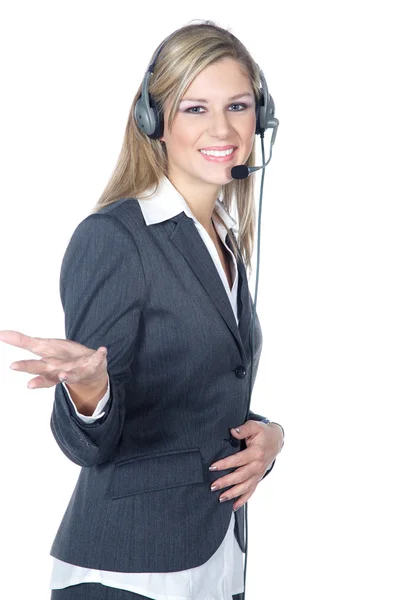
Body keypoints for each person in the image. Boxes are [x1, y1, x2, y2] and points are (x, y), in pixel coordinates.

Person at [0, 20, 284, 600]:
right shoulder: (116, 237)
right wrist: (90, 390)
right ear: (154, 123)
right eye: (194, 108)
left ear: (262, 117)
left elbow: (197, 392)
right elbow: (88, 446)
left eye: (237, 105)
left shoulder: (226, 240)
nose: (223, 128)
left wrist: (270, 437)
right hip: (129, 571)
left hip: (216, 562)